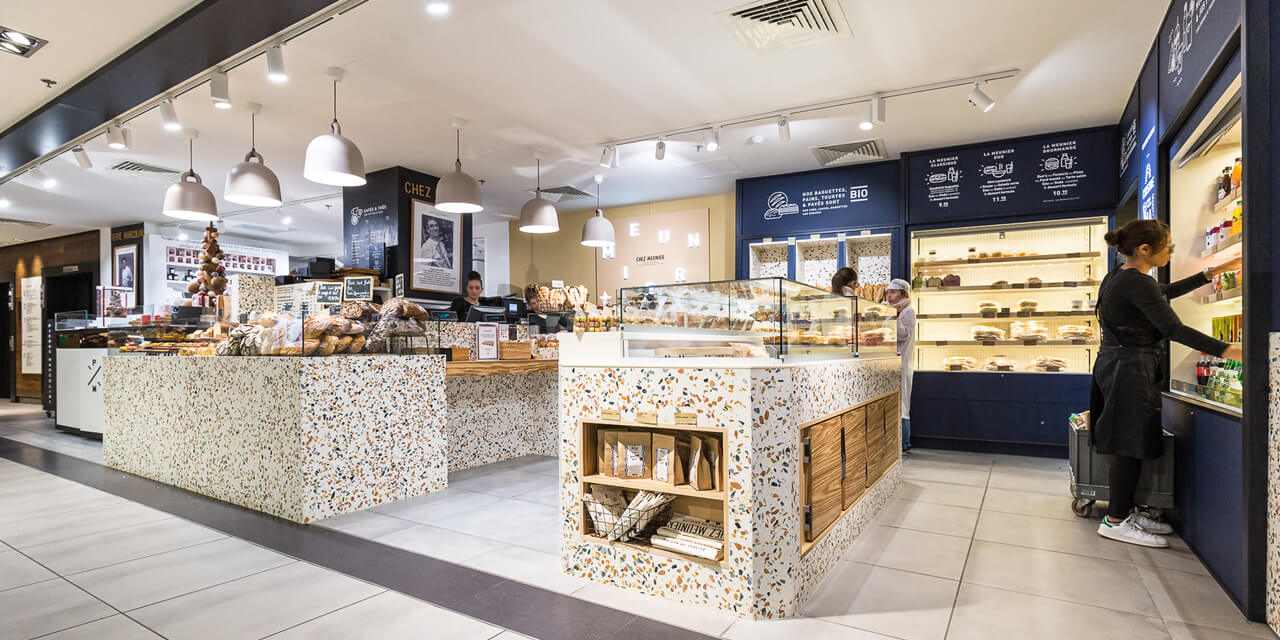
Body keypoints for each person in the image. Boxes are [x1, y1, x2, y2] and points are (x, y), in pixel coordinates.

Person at [1091, 219, 1242, 548]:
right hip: (1130, 369)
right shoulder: (1137, 282)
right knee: (1128, 444)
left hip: (1118, 365)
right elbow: (1173, 328)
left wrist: (1209, 273)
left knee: (1129, 440)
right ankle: (1115, 520)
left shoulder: (1119, 277)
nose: (1171, 251)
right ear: (1144, 250)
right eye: (1168, 246)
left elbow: (1165, 293)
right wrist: (1230, 350)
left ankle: (1125, 510)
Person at [883, 279, 915, 453]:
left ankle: (904, 442)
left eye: (893, 292)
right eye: (888, 292)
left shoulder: (908, 311)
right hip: (890, 362)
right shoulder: (891, 311)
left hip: (902, 363)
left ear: (903, 294)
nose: (889, 295)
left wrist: (894, 316)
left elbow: (902, 335)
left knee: (902, 403)